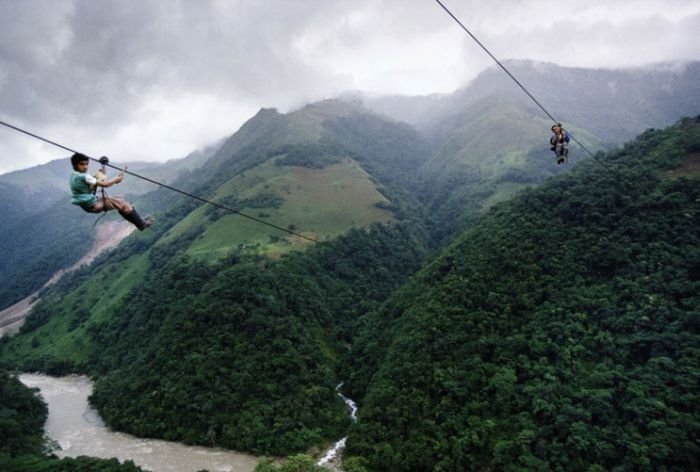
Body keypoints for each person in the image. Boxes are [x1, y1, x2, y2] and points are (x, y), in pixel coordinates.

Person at [69, 152, 152, 230]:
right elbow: (106, 184)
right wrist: (116, 179)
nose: (85, 167)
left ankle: (138, 221)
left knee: (120, 200)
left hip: (87, 205)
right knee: (122, 203)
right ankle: (141, 224)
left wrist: (101, 174)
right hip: (94, 205)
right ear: (75, 165)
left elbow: (91, 183)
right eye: (82, 164)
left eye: (86, 164)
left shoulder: (74, 176)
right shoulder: (84, 177)